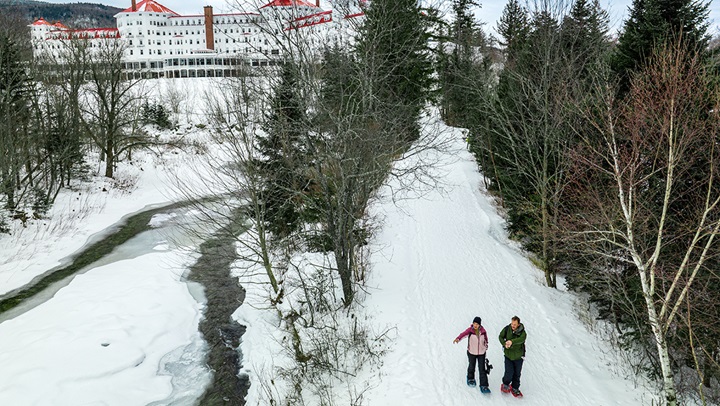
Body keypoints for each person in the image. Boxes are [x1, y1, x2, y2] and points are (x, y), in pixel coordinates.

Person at [453, 316, 491, 393]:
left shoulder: (483, 331)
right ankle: (470, 378)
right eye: (474, 323)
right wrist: (458, 338)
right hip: (472, 352)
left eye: (477, 324)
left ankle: (484, 385)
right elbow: (463, 334)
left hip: (481, 353)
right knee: (471, 366)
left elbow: (486, 339)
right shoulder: (470, 330)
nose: (475, 325)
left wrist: (485, 346)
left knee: (482, 369)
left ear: (479, 325)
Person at [499, 316, 527, 397]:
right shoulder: (507, 329)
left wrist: (511, 341)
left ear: (518, 324)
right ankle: (505, 384)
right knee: (509, 372)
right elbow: (500, 336)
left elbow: (521, 339)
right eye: (512, 323)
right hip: (508, 355)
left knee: (517, 373)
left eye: (514, 324)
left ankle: (515, 387)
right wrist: (504, 344)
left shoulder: (522, 332)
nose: (513, 325)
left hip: (518, 357)